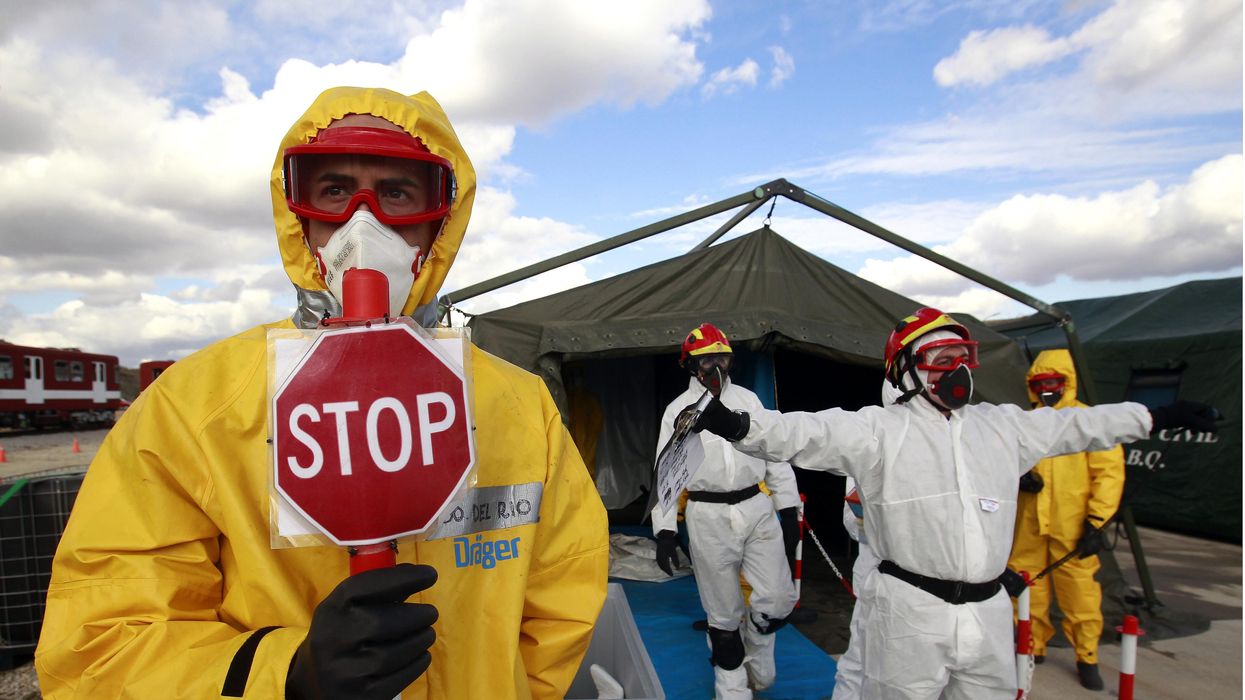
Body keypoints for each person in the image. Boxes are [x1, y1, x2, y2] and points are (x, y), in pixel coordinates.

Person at [34, 87, 609, 699]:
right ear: (298, 214)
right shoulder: (193, 409)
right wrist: (285, 676)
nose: (364, 224)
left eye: (396, 193)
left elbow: (560, 608)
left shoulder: (519, 408)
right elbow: (101, 645)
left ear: (439, 221)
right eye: (335, 191)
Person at [689, 307, 1218, 699]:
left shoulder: (1000, 427)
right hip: (911, 613)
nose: (957, 371)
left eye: (963, 359)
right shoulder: (877, 432)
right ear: (906, 371)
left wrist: (1154, 418)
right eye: (940, 360)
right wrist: (739, 424)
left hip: (988, 612)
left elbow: (1076, 424)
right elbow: (806, 432)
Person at [652, 322, 799, 699]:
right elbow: (666, 472)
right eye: (706, 360)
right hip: (708, 516)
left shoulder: (749, 401)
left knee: (779, 599)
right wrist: (665, 530)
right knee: (722, 614)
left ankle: (757, 640)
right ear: (689, 366)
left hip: (756, 507)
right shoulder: (676, 412)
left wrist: (788, 509)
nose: (715, 367)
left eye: (722, 358)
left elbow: (776, 454)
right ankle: (732, 688)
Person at [1008, 348, 1125, 691]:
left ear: (1067, 383)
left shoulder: (1089, 422)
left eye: (1053, 382)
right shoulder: (1025, 421)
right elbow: (1005, 460)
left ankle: (1086, 655)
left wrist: (1097, 522)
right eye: (1040, 383)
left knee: (1080, 592)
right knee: (1027, 584)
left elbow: (1109, 475)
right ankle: (1032, 644)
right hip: (1030, 520)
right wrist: (1019, 477)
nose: (1047, 389)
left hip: (1073, 525)